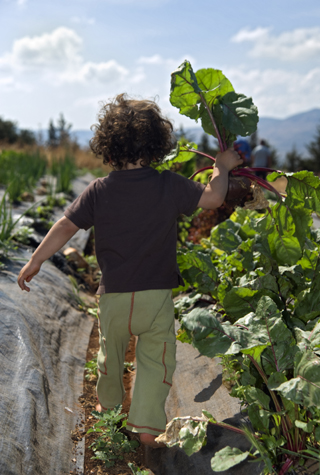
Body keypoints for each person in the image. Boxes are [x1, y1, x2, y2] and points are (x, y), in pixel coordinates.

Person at [17, 94, 243, 447]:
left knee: (110, 355)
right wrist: (222, 166)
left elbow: (65, 225)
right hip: (156, 297)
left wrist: (36, 259)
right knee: (156, 360)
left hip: (115, 298)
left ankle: (109, 412)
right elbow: (214, 198)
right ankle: (149, 430)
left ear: (107, 151)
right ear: (157, 148)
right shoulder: (169, 184)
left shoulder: (98, 190)